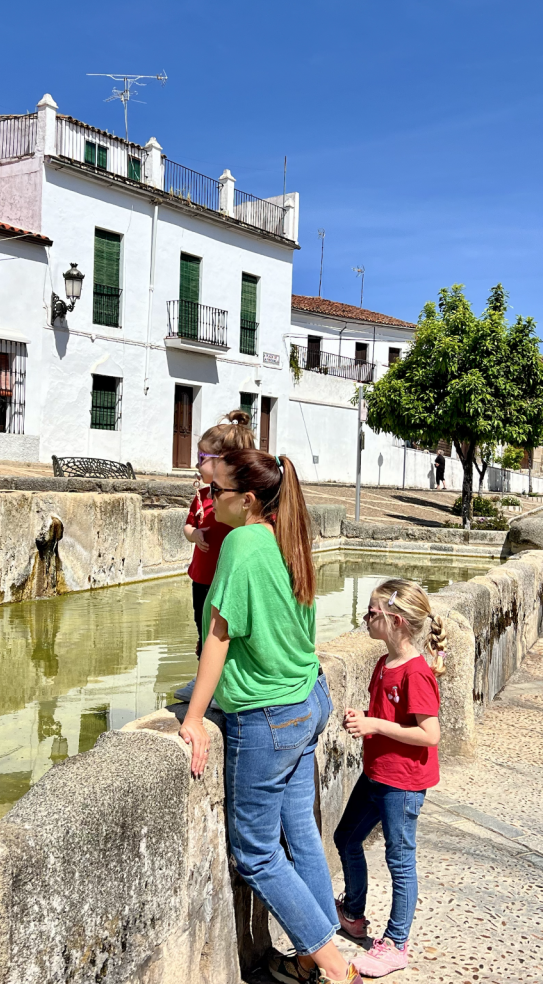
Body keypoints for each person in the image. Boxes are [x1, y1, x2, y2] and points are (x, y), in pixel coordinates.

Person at [178, 449, 360, 984]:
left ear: (248, 500)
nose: (211, 502)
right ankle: (313, 950)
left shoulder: (243, 542)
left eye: (219, 494)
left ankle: (332, 962)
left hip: (268, 715)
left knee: (254, 852)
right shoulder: (289, 536)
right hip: (307, 698)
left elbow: (218, 633)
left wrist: (192, 718)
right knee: (299, 829)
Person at [333, 579, 445, 978]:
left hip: (404, 782)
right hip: (377, 774)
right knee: (345, 838)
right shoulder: (385, 663)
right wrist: (365, 720)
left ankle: (396, 943)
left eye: (372, 613)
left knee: (400, 860)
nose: (366, 618)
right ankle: (353, 912)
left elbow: (429, 734)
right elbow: (385, 717)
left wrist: (375, 724)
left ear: (396, 621)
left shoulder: (416, 674)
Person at [183, 410, 255, 657]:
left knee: (223, 631)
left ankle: (216, 680)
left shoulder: (238, 503)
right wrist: (194, 534)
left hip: (226, 578)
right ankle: (203, 673)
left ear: (222, 460)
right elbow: (188, 525)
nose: (196, 464)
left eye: (201, 457)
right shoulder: (202, 497)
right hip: (202, 577)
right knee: (203, 627)